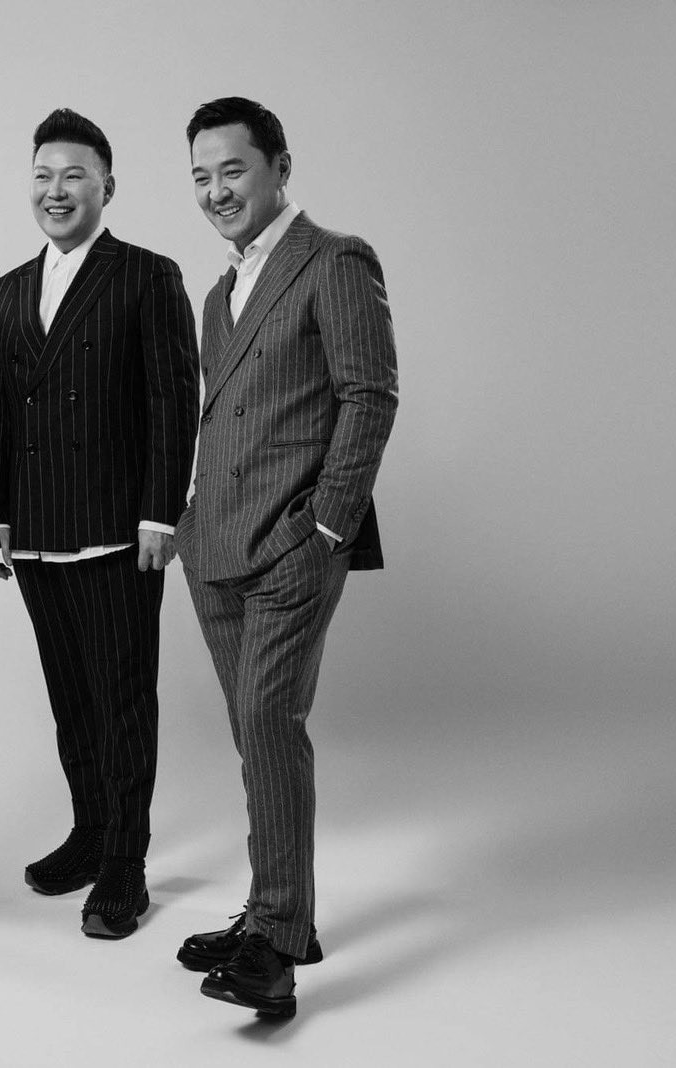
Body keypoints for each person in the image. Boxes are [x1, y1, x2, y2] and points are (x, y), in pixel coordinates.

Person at [174, 97, 398, 1017]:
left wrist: (329, 528)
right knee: (252, 732)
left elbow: (370, 394)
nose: (216, 191)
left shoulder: (335, 260)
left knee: (270, 718)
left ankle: (274, 946)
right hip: (215, 547)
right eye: (200, 177)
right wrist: (189, 521)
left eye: (232, 170)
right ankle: (280, 915)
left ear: (280, 167)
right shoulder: (217, 294)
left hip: (292, 547)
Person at [0, 108, 198, 939]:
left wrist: (160, 514)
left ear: (108, 186)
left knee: (121, 699)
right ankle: (91, 831)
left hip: (117, 526)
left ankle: (126, 864)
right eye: (43, 175)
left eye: (74, 175)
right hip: (35, 527)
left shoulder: (147, 274)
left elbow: (174, 400)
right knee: (70, 697)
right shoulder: (6, 290)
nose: (56, 190)